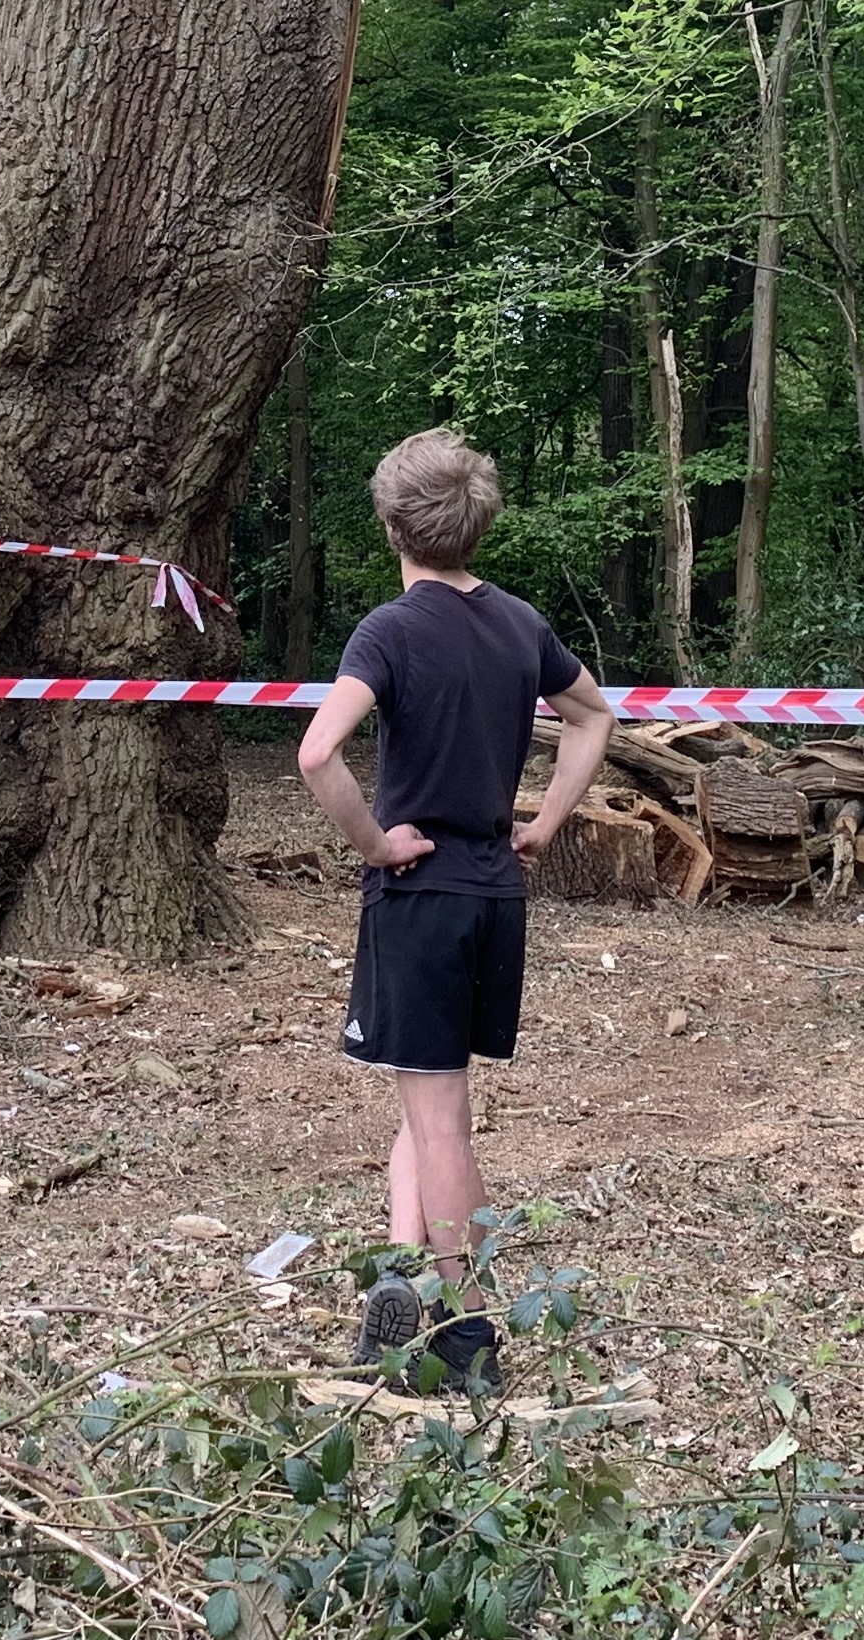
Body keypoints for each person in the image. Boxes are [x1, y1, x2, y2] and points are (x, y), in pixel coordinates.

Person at [294, 426, 615, 1390]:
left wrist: (375, 843)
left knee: (442, 1123)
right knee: (422, 1095)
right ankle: (397, 1296)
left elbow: (317, 754)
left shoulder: (388, 630)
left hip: (421, 895)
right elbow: (593, 714)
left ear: (394, 522)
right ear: (482, 523)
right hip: (494, 897)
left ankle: (467, 1328)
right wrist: (547, 821)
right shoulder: (521, 622)